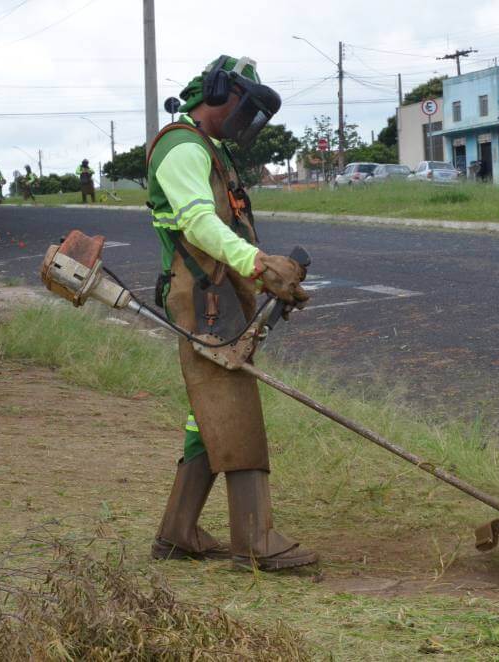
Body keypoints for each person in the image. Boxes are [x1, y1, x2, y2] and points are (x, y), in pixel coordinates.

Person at [147, 55, 316, 571]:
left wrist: (260, 276)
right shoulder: (180, 147)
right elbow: (198, 224)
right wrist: (258, 263)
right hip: (203, 298)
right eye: (244, 105)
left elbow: (228, 228)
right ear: (218, 92)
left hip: (219, 292)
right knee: (233, 403)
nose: (248, 120)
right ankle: (254, 539)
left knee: (210, 410)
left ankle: (177, 532)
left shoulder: (209, 149)